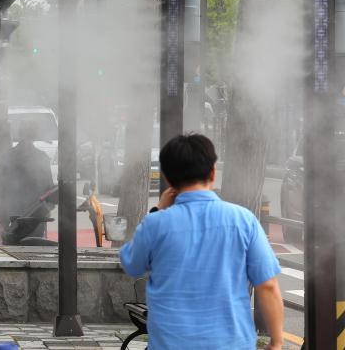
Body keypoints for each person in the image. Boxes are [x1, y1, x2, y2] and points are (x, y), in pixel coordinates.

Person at [119, 134, 283, 350]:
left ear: (168, 180)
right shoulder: (243, 220)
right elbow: (268, 285)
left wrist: (158, 210)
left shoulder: (156, 225)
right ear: (212, 172)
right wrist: (277, 341)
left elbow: (132, 264)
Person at [3, 121, 54, 236]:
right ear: (35, 136)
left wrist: (2, 215)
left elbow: (1, 187)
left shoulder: (8, 156)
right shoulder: (41, 157)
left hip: (13, 212)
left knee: (12, 246)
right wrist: (47, 209)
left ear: (20, 134)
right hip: (36, 212)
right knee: (35, 247)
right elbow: (49, 188)